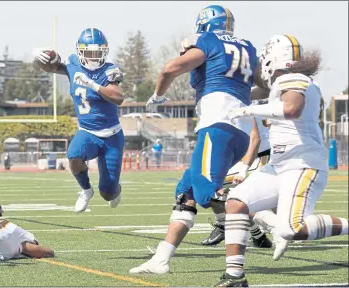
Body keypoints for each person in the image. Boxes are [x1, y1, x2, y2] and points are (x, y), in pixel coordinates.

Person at [129, 5, 258, 274]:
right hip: (239, 131)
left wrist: (158, 96)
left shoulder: (207, 40)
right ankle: (161, 258)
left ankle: (263, 222)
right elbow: (262, 86)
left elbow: (169, 69)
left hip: (217, 126)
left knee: (203, 193)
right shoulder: (247, 47)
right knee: (185, 193)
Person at [214, 35, 348, 287]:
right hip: (279, 164)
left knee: (291, 229)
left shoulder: (292, 79)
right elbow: (260, 92)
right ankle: (234, 276)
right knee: (235, 202)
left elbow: (291, 109)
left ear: (273, 57)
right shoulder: (284, 82)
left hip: (302, 164)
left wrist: (249, 109)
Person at [34, 28, 124, 213]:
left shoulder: (110, 69)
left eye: (97, 53)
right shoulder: (73, 63)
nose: (93, 57)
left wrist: (92, 84)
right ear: (80, 51)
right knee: (73, 156)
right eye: (89, 53)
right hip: (88, 132)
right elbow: (51, 66)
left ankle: (116, 189)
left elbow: (118, 97)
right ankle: (85, 190)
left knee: (108, 193)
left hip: (112, 135)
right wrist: (38, 57)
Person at [202, 87, 272, 247]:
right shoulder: (241, 99)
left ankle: (223, 224)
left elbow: (255, 140)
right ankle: (258, 236)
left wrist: (243, 170)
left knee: (213, 185)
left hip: (259, 160)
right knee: (232, 197)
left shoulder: (243, 100)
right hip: (252, 159)